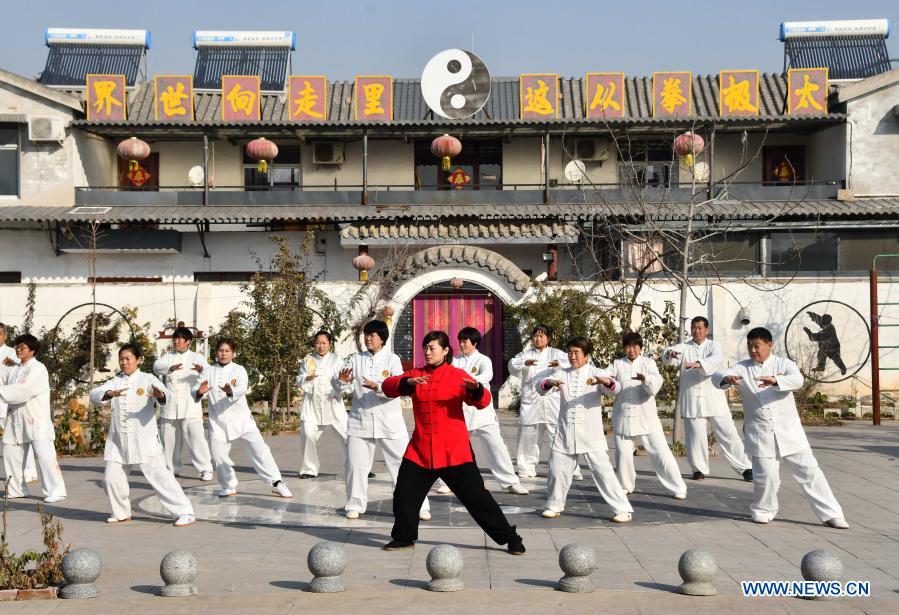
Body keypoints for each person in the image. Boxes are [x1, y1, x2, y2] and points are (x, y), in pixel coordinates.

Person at [381, 330, 525, 554]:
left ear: (445, 351)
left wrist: (476, 389)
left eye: (432, 348)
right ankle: (403, 537)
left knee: (478, 499)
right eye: (425, 348)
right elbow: (387, 386)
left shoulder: (457, 375)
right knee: (404, 493)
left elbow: (484, 402)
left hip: (454, 452)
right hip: (421, 451)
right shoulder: (416, 374)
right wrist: (407, 382)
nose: (428, 353)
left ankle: (510, 537)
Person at [714, 327, 848, 528]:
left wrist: (776, 380)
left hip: (789, 430)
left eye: (757, 346)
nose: (753, 350)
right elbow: (720, 374)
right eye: (749, 346)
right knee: (765, 475)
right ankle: (763, 510)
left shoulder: (784, 364)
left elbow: (798, 379)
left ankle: (831, 514)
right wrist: (726, 378)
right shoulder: (742, 368)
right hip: (760, 432)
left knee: (809, 472)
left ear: (769, 345)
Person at [89, 344, 196, 526]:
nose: (124, 362)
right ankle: (121, 511)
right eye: (121, 359)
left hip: (144, 439)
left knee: (160, 477)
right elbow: (94, 394)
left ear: (138, 360)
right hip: (119, 441)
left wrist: (159, 394)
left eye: (128, 358)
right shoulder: (115, 381)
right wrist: (108, 393)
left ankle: (185, 512)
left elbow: (167, 395)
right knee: (110, 478)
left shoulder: (147, 379)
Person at [334, 320, 430, 520]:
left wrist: (378, 387)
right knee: (355, 465)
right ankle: (355, 504)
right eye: (367, 335)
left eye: (373, 335)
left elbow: (397, 387)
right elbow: (342, 386)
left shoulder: (392, 359)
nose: (369, 338)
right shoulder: (355, 359)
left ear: (382, 339)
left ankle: (418, 505)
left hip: (389, 421)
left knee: (404, 464)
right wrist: (341, 382)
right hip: (361, 420)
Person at [539, 337, 633, 522]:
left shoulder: (597, 373)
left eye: (576, 353)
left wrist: (605, 382)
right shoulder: (562, 373)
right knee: (557, 470)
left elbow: (616, 390)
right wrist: (549, 383)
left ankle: (622, 509)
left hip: (591, 434)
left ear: (587, 355)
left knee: (603, 472)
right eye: (570, 352)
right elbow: (540, 388)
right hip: (565, 432)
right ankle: (553, 505)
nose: (572, 357)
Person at [194, 338, 292, 499]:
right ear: (216, 352)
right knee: (218, 455)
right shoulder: (207, 371)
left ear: (233, 353)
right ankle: (228, 485)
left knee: (260, 450)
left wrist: (229, 391)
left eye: (227, 351)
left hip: (242, 420)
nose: (224, 354)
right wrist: (199, 391)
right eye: (221, 350)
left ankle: (276, 483)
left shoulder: (239, 370)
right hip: (218, 421)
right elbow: (195, 390)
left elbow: (241, 388)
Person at [434, 328, 528, 496]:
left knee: (496, 447)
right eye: (460, 341)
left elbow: (487, 375)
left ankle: (510, 482)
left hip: (482, 412)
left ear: (474, 343)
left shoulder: (484, 360)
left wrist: (472, 382)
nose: (462, 344)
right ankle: (448, 482)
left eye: (465, 341)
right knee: (452, 447)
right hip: (460, 413)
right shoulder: (454, 361)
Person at [664, 316, 752, 481]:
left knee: (728, 433)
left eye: (699, 327)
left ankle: (745, 467)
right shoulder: (684, 347)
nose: (696, 331)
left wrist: (699, 364)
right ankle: (698, 470)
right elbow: (669, 356)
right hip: (692, 400)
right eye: (693, 327)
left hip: (714, 399)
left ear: (707, 330)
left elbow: (716, 359)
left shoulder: (714, 346)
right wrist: (669, 353)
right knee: (695, 437)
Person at [607, 332, 687, 499]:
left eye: (635, 346)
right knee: (623, 454)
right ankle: (625, 485)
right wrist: (607, 382)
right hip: (623, 414)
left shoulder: (648, 363)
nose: (631, 350)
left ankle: (678, 486)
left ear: (641, 348)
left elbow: (655, 385)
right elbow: (609, 382)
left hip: (646, 416)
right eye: (628, 346)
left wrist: (645, 380)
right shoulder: (617, 364)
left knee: (661, 452)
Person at [0, 334, 67, 503]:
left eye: (22, 347)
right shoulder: (14, 368)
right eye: (17, 346)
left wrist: (2, 392)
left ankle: (56, 490)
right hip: (15, 419)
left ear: (33, 350)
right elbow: (6, 385)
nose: (18, 349)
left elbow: (24, 390)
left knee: (45, 456)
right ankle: (17, 489)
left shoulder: (38, 368)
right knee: (9, 452)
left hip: (35, 418)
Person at [508, 325, 580, 479]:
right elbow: (512, 365)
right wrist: (524, 364)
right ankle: (526, 468)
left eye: (541, 336)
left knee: (559, 435)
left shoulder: (557, 353)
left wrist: (559, 365)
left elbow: (571, 364)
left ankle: (568, 468)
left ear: (548, 338)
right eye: (535, 336)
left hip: (552, 401)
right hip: (531, 401)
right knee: (528, 436)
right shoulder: (525, 354)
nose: (538, 339)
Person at [153, 327, 214, 480]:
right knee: (169, 440)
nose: (176, 341)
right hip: (170, 405)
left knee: (196, 438)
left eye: (180, 339)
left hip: (191, 405)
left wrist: (202, 370)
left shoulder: (197, 357)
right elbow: (156, 367)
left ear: (188, 341)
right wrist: (170, 368)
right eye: (175, 338)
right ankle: (170, 469)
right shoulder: (168, 356)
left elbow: (209, 373)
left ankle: (205, 469)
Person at [297, 331, 347, 479]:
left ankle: (356, 466)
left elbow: (345, 380)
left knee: (347, 437)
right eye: (318, 342)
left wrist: (342, 383)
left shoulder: (337, 360)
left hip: (333, 404)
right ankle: (309, 469)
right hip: (312, 405)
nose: (321, 346)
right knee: (307, 434)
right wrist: (307, 378)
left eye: (324, 343)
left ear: (329, 344)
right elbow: (300, 379)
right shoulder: (308, 360)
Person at [0, 323, 37, 484]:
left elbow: (23, 371)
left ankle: (28, 471)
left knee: (20, 437)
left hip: (8, 401)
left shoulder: (12, 353)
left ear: (5, 335)